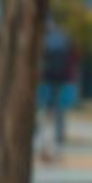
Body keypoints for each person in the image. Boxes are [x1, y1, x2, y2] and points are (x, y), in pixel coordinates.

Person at [38, 20, 78, 163]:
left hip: (47, 80)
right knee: (60, 114)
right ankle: (58, 145)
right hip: (63, 81)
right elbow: (74, 60)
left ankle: (45, 146)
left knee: (46, 113)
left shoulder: (45, 40)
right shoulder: (66, 39)